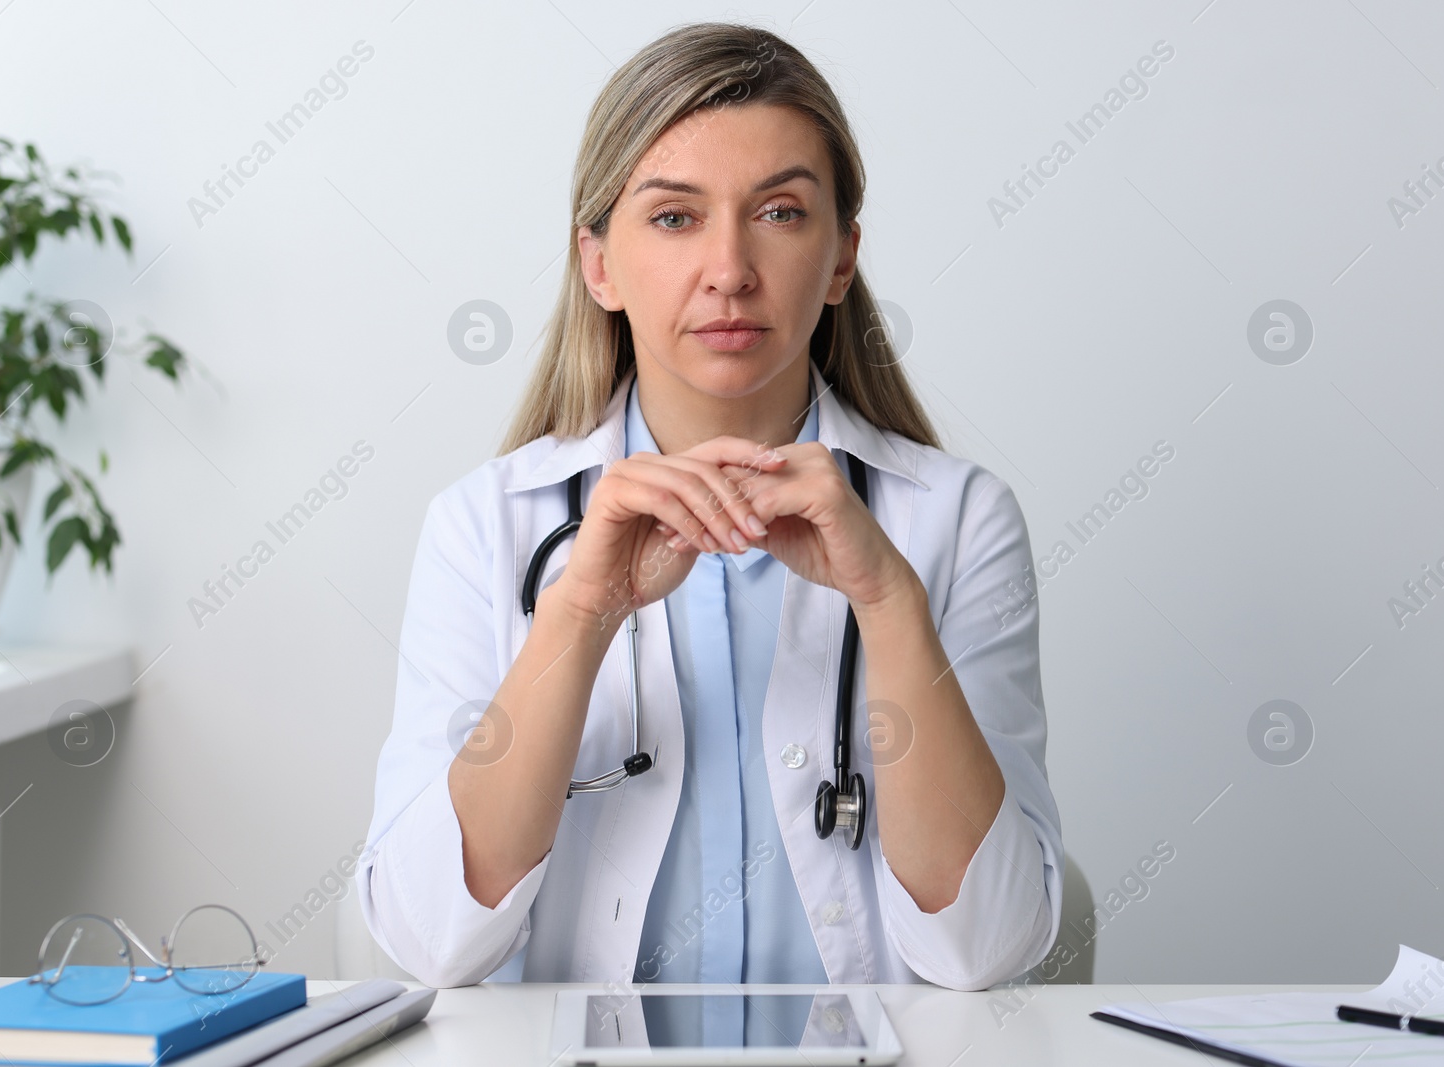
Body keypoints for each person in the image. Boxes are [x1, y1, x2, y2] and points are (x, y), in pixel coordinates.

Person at [356, 21, 1062, 996]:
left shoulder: (954, 519)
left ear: (842, 255)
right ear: (598, 264)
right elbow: (429, 939)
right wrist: (578, 612)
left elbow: (985, 949)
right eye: (676, 218)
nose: (729, 268)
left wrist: (890, 601)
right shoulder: (485, 525)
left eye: (777, 211)